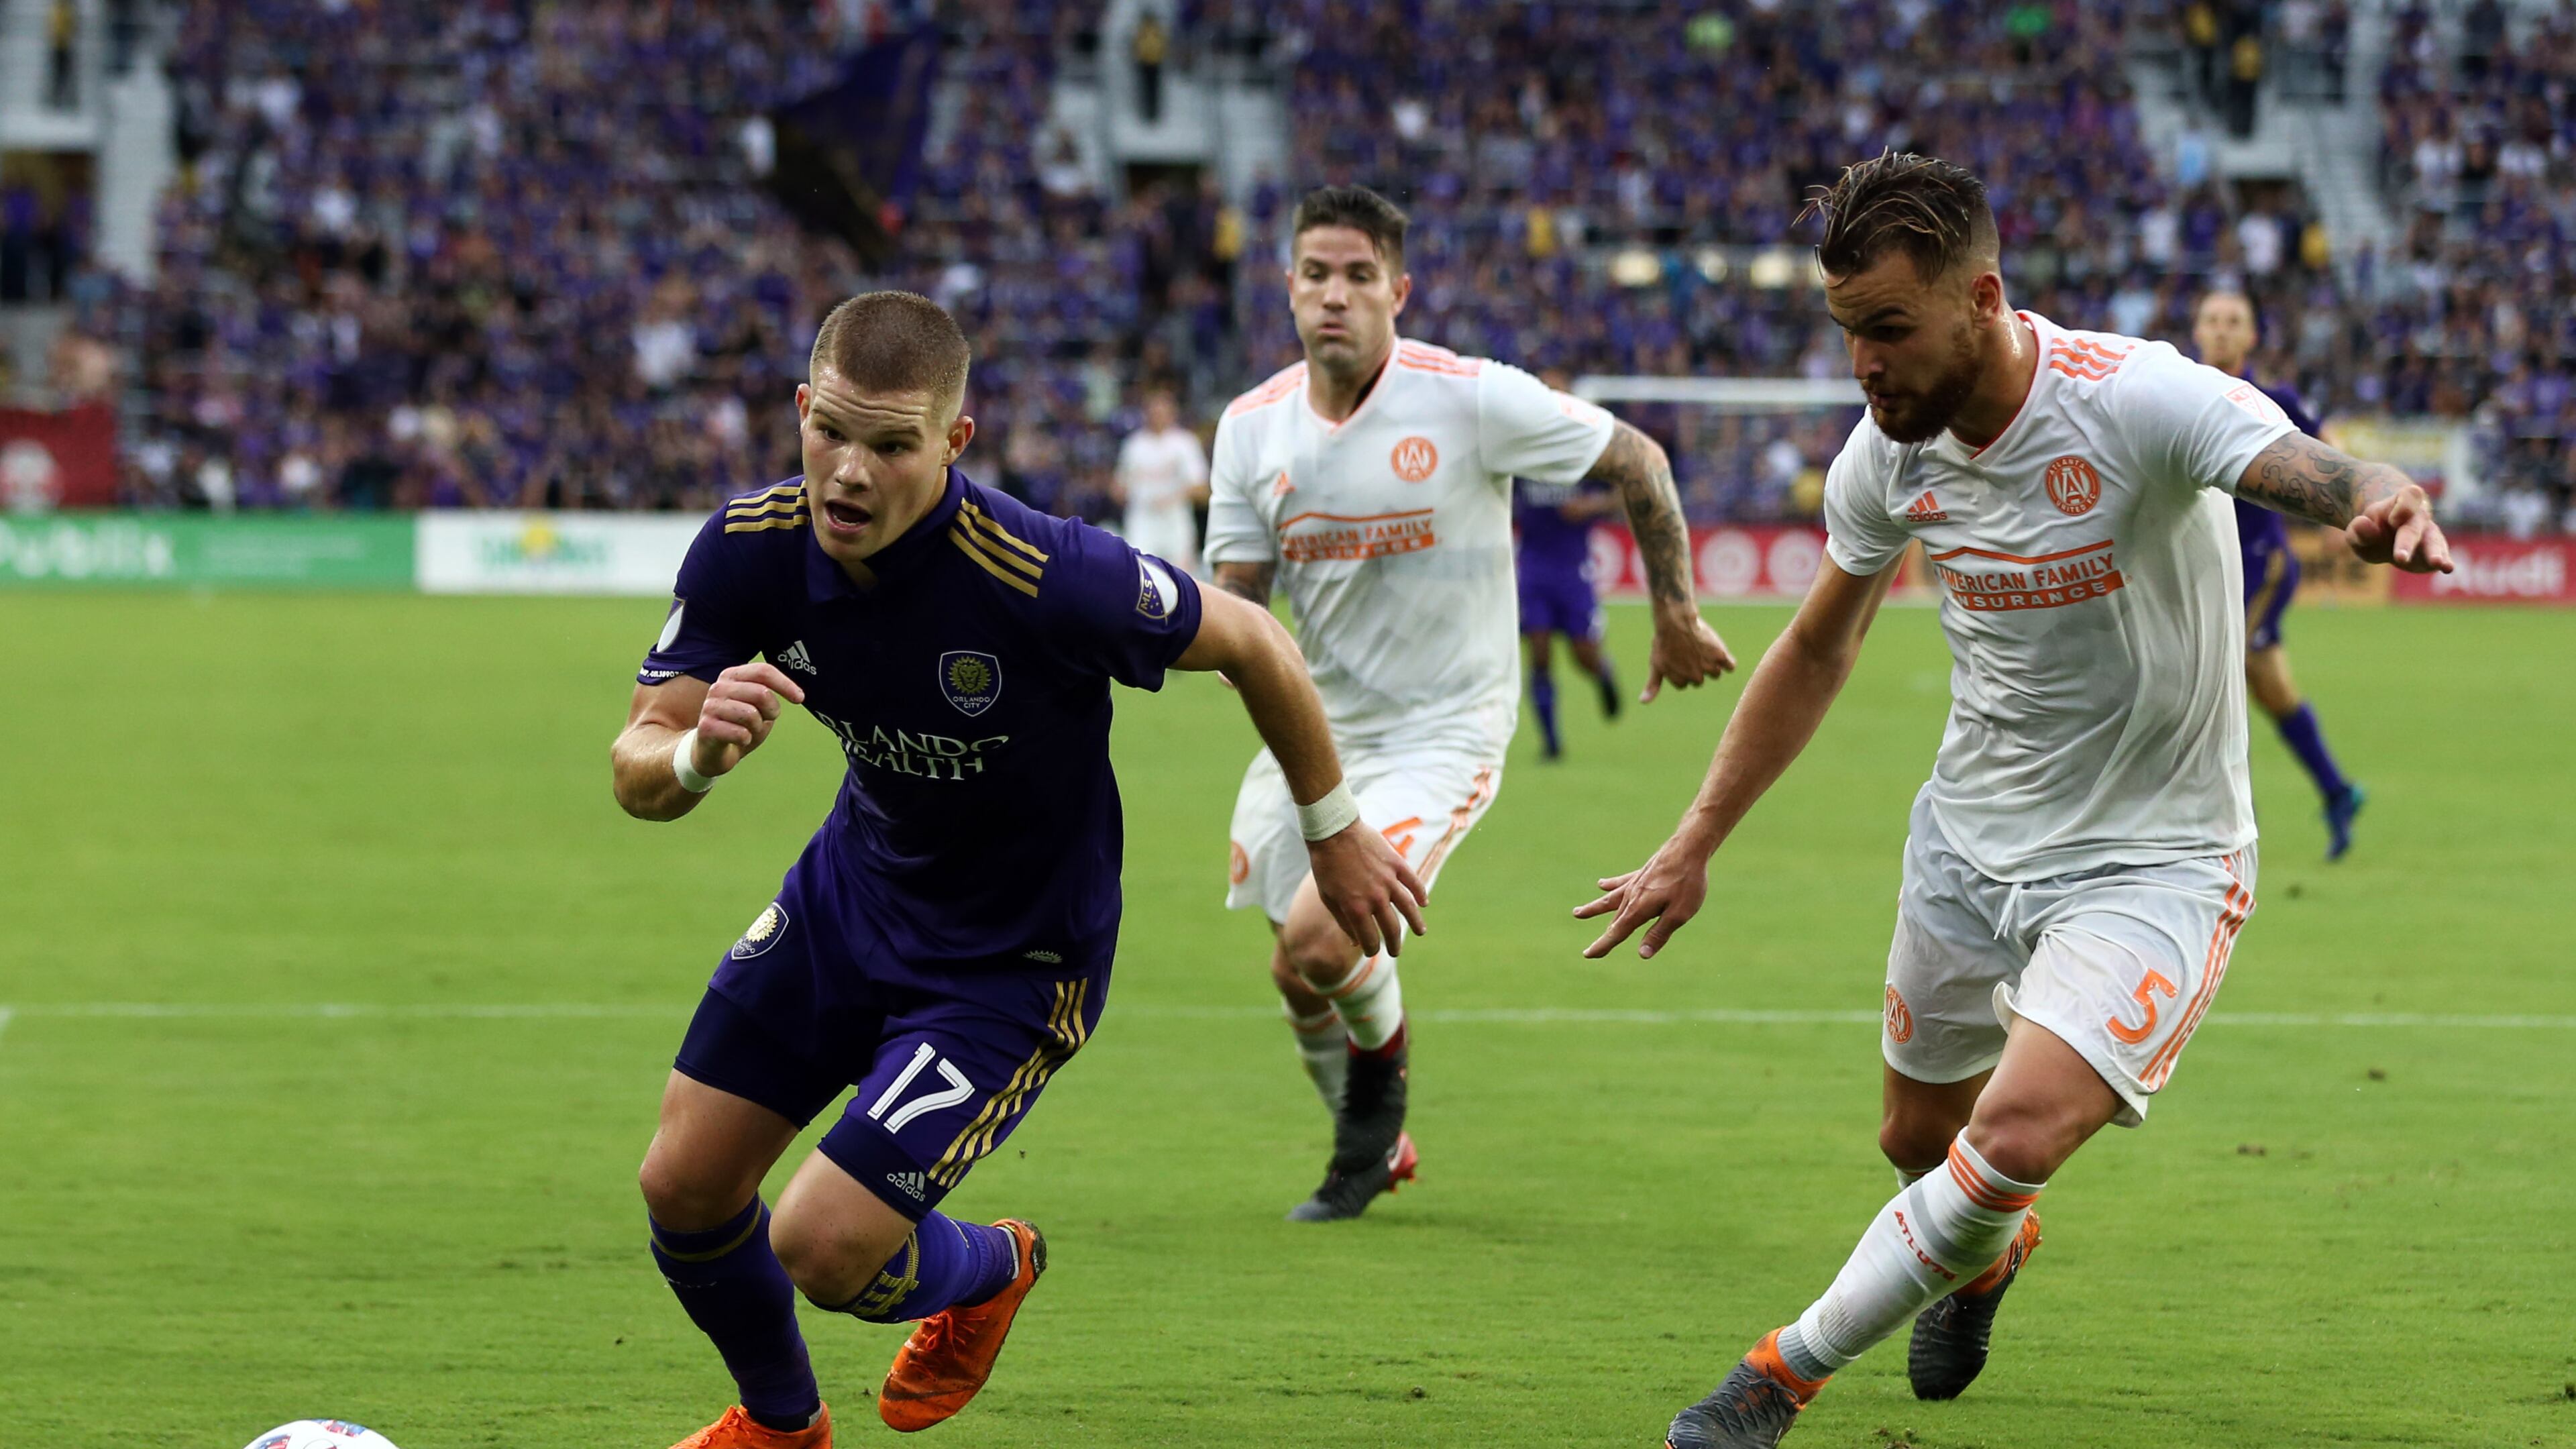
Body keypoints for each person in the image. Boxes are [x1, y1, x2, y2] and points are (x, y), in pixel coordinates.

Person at [1572, 154, 2449, 1449]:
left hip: (2157, 855)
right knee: (1918, 1140)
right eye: (1848, 334)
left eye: (1888, 330)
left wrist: (2377, 498)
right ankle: (1984, 1257)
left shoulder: (2137, 397)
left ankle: (1771, 1381)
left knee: (2016, 1129)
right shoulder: (1885, 459)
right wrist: (1695, 840)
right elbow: (1817, 646)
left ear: (1980, 297)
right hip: (1971, 841)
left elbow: (2305, 464)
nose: (1864, 366)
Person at [611, 290, 1427, 1449]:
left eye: (891, 444)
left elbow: (1254, 642)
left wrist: (1336, 829)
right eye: (831, 431)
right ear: (800, 408)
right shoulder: (752, 548)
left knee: (823, 1247)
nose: (849, 472)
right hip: (850, 900)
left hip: (1008, 961)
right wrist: (692, 755)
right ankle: (784, 1427)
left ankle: (993, 1268)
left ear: (954, 442)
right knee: (683, 1188)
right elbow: (635, 762)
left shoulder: (1043, 573)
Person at [1206, 185, 1737, 1221]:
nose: (1335, 297)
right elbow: (1237, 608)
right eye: (1316, 273)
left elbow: (1637, 456)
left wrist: (1674, 609)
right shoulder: (1249, 430)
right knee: (1296, 967)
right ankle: (1385, 1141)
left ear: (1399, 291)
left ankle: (1363, 1138)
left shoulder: (1468, 398)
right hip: (1317, 732)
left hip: (1444, 731)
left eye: (1360, 276)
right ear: (1288, 287)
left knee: (1324, 939)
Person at [2191, 289, 2367, 858]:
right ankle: (2338, 791)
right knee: (2270, 690)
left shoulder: (2273, 398)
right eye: (2213, 320)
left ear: (2252, 338)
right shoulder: (2174, 395)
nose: (2221, 330)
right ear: (2196, 331)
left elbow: (2328, 447)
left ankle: (2228, 816)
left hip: (2257, 564)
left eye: (2233, 322)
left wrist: (2347, 509)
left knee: (2213, 674)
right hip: (2200, 568)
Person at [1513, 366, 1629, 759]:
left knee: (1582, 654)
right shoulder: (1519, 449)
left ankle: (1604, 675)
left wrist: (1592, 505)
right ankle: (1551, 743)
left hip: (1572, 568)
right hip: (1533, 566)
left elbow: (1622, 492)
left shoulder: (1585, 447)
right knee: (1540, 651)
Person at [1111, 388, 1210, 574]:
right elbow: (1119, 486)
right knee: (1140, 574)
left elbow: (1202, 489)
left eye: (1163, 409)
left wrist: (1174, 497)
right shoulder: (1134, 445)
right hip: (1143, 519)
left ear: (1173, 412)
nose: (1158, 414)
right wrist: (1121, 492)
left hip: (1175, 520)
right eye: (1154, 410)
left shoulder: (1184, 443)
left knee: (1181, 576)